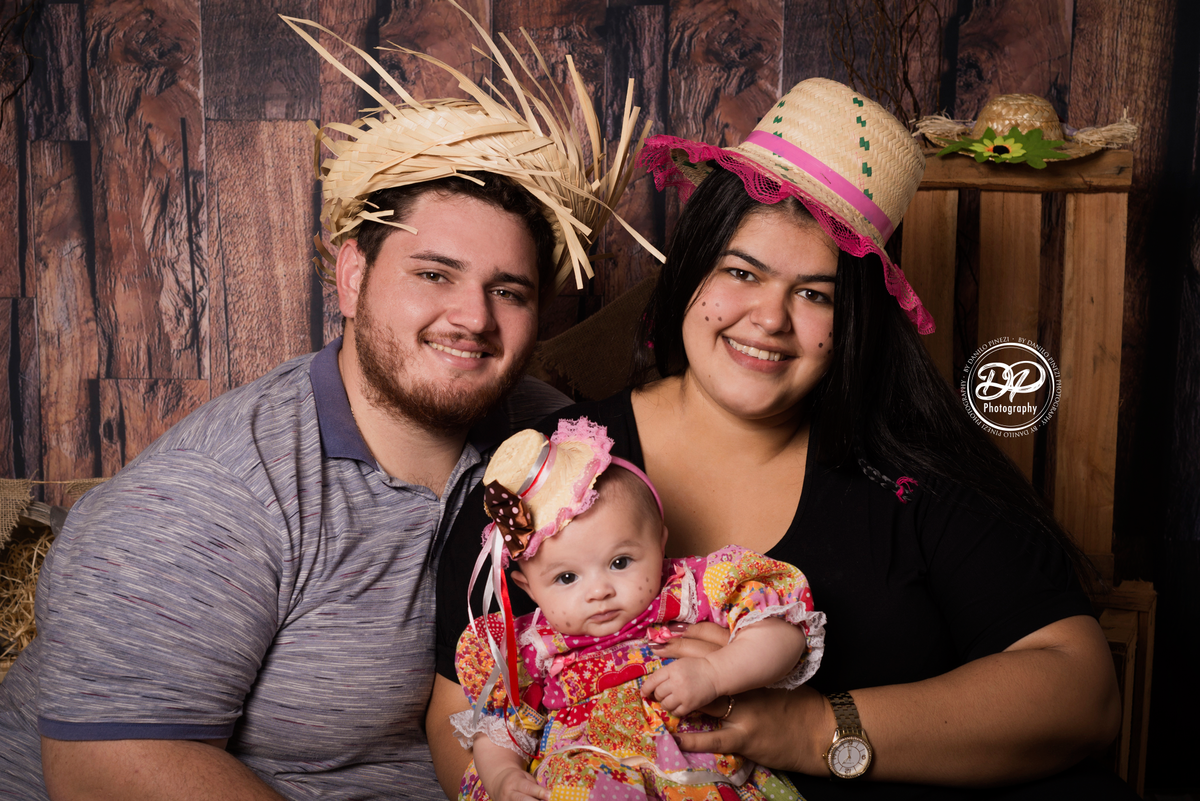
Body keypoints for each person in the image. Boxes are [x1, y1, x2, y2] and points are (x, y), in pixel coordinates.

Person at [0, 8, 658, 800]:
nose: (474, 318)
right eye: (434, 273)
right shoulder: (218, 491)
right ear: (352, 277)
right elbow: (106, 767)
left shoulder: (553, 445)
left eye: (507, 290)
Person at [429, 78, 1138, 800]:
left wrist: (804, 727)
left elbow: (1083, 693)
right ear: (692, 274)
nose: (769, 318)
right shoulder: (548, 468)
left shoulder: (909, 467)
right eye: (742, 272)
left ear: (853, 322)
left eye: (815, 293)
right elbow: (464, 711)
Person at [452, 419, 825, 801]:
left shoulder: (689, 590)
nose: (598, 591)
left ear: (660, 542)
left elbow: (781, 632)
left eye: (620, 562)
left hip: (701, 776)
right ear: (528, 589)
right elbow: (502, 732)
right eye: (566, 578)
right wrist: (501, 778)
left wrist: (716, 672)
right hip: (585, 777)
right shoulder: (534, 647)